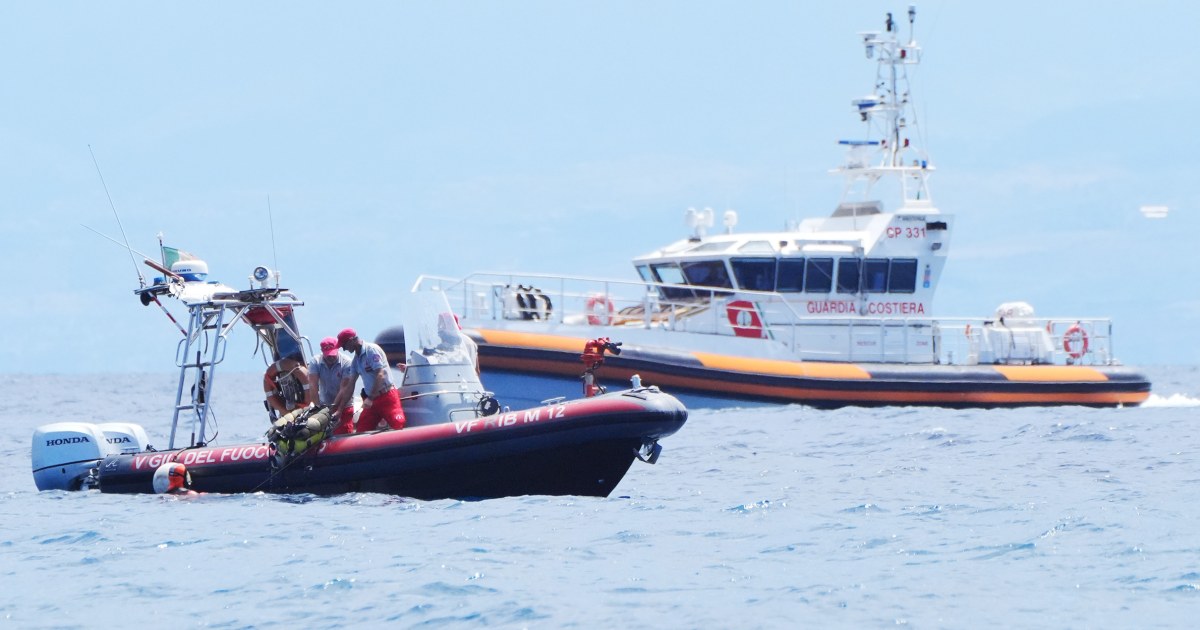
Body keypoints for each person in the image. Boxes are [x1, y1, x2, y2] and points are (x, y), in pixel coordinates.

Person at [335, 327, 405, 432]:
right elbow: (350, 385)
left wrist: (370, 398)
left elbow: (380, 374)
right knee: (362, 429)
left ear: (351, 340)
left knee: (398, 424)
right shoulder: (355, 361)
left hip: (387, 396)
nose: (344, 349)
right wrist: (340, 410)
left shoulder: (371, 350)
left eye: (344, 345)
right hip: (372, 401)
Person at [309, 336, 357, 435]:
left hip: (344, 405)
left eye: (333, 354)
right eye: (328, 355)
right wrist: (318, 409)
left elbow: (344, 388)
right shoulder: (315, 362)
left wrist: (336, 409)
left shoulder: (347, 362)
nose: (331, 357)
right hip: (324, 405)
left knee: (344, 434)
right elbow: (313, 386)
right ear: (322, 352)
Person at [263, 353, 313, 425]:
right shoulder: (274, 378)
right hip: (287, 407)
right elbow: (270, 395)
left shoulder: (301, 370)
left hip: (302, 403)